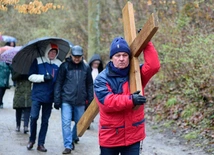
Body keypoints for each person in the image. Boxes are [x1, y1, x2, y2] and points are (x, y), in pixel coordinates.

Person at [94, 36, 160, 155]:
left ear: (129, 57)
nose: (121, 59)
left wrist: (146, 43)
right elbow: (107, 103)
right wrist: (131, 100)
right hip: (110, 138)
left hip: (133, 137)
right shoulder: (101, 79)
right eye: (117, 55)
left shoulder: (136, 75)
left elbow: (153, 66)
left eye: (125, 55)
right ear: (111, 58)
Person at [54, 45, 94, 154]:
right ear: (71, 55)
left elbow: (90, 85)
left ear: (82, 56)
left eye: (79, 56)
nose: (77, 58)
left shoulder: (86, 68)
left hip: (80, 100)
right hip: (66, 99)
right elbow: (58, 83)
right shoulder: (64, 66)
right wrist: (57, 99)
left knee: (79, 122)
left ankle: (71, 139)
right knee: (66, 123)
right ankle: (67, 145)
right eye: (75, 56)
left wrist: (90, 100)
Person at [26, 43, 61, 152]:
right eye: (51, 51)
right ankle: (32, 140)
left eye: (55, 52)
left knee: (45, 121)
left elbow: (59, 82)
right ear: (47, 51)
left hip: (49, 97)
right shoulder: (38, 61)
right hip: (37, 95)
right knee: (34, 117)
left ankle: (41, 143)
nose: (52, 54)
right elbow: (30, 76)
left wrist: (57, 98)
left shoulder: (58, 64)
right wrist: (43, 77)